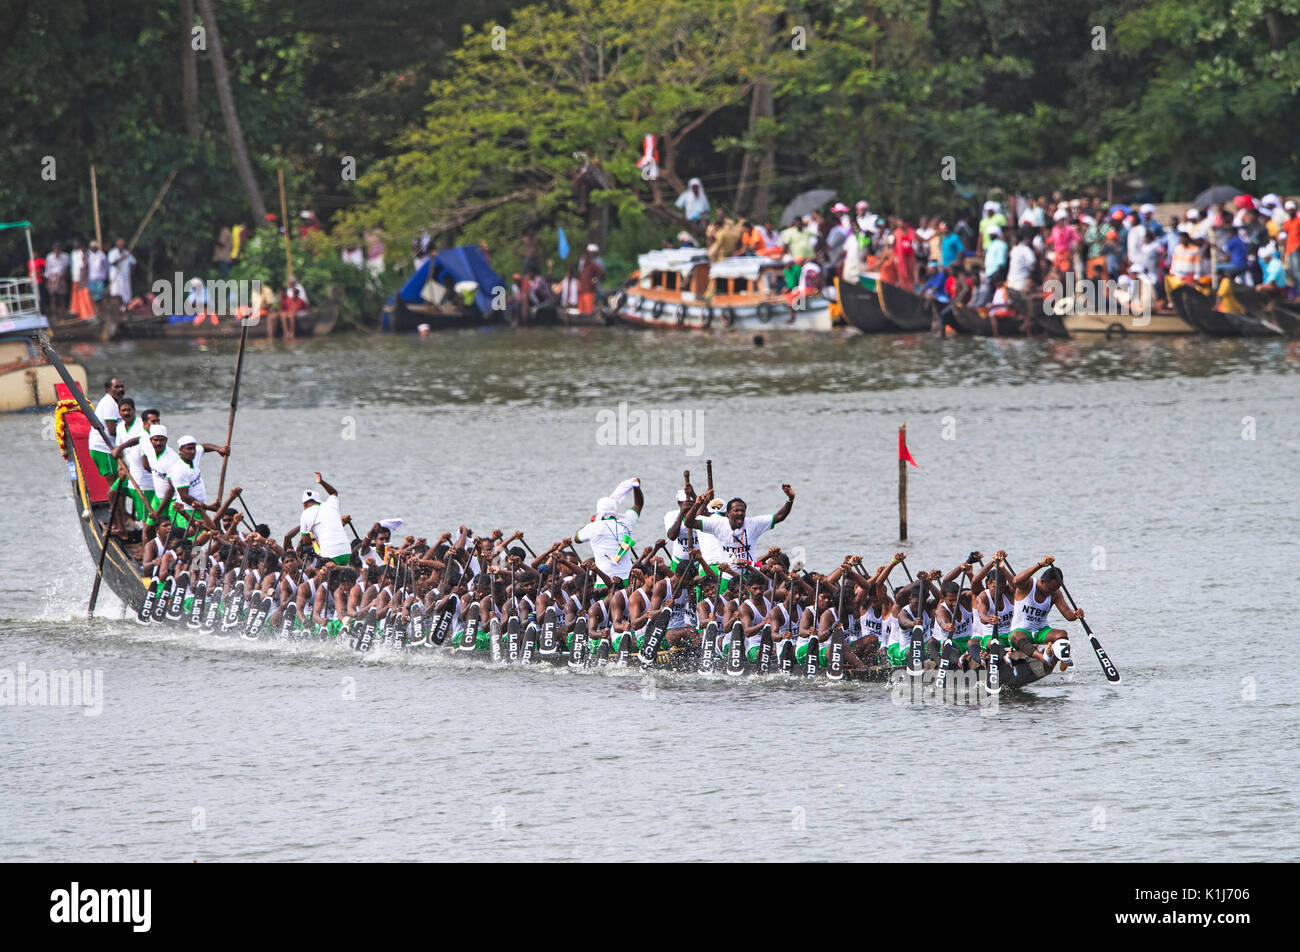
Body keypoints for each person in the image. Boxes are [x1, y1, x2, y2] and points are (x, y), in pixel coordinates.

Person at [1007, 556, 1082, 666]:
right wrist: (1040, 565)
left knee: (1062, 634)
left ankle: (1064, 659)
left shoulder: (1055, 593)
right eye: (1050, 589)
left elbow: (1068, 615)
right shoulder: (1028, 585)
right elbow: (1016, 580)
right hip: (1021, 631)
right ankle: (1042, 657)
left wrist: (1076, 614)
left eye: (1056, 589)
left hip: (1041, 631)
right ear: (1042, 581)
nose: (1051, 592)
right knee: (1016, 636)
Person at [574, 478, 644, 585]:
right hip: (628, 580)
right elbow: (638, 505)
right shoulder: (626, 521)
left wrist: (592, 523)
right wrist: (636, 487)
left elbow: (577, 539)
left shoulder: (592, 527)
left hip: (604, 582)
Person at [301, 473, 354, 566]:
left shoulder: (305, 513)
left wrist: (312, 533)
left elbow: (306, 541)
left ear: (305, 505)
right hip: (346, 551)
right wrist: (322, 482)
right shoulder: (330, 505)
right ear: (317, 501)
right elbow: (334, 493)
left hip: (329, 555)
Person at [86, 377, 125, 479]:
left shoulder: (116, 403)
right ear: (108, 389)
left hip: (107, 449)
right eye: (116, 387)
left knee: (119, 486)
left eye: (121, 387)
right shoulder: (110, 404)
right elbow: (112, 431)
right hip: (104, 449)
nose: (120, 389)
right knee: (116, 487)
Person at [107, 238, 135, 311]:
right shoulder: (112, 252)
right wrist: (121, 258)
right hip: (115, 278)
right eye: (120, 245)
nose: (121, 246)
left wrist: (131, 273)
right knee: (115, 295)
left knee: (126, 295)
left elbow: (133, 263)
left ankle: (125, 310)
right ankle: (116, 310)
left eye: (122, 245)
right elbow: (113, 263)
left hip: (125, 278)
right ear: (117, 245)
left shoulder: (127, 253)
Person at [578, 244, 604, 315]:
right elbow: (580, 272)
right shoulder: (584, 261)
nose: (591, 253)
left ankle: (593, 311)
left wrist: (595, 279)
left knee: (593, 300)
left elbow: (601, 272)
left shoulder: (598, 261)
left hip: (594, 287)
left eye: (593, 252)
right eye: (590, 252)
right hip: (584, 287)